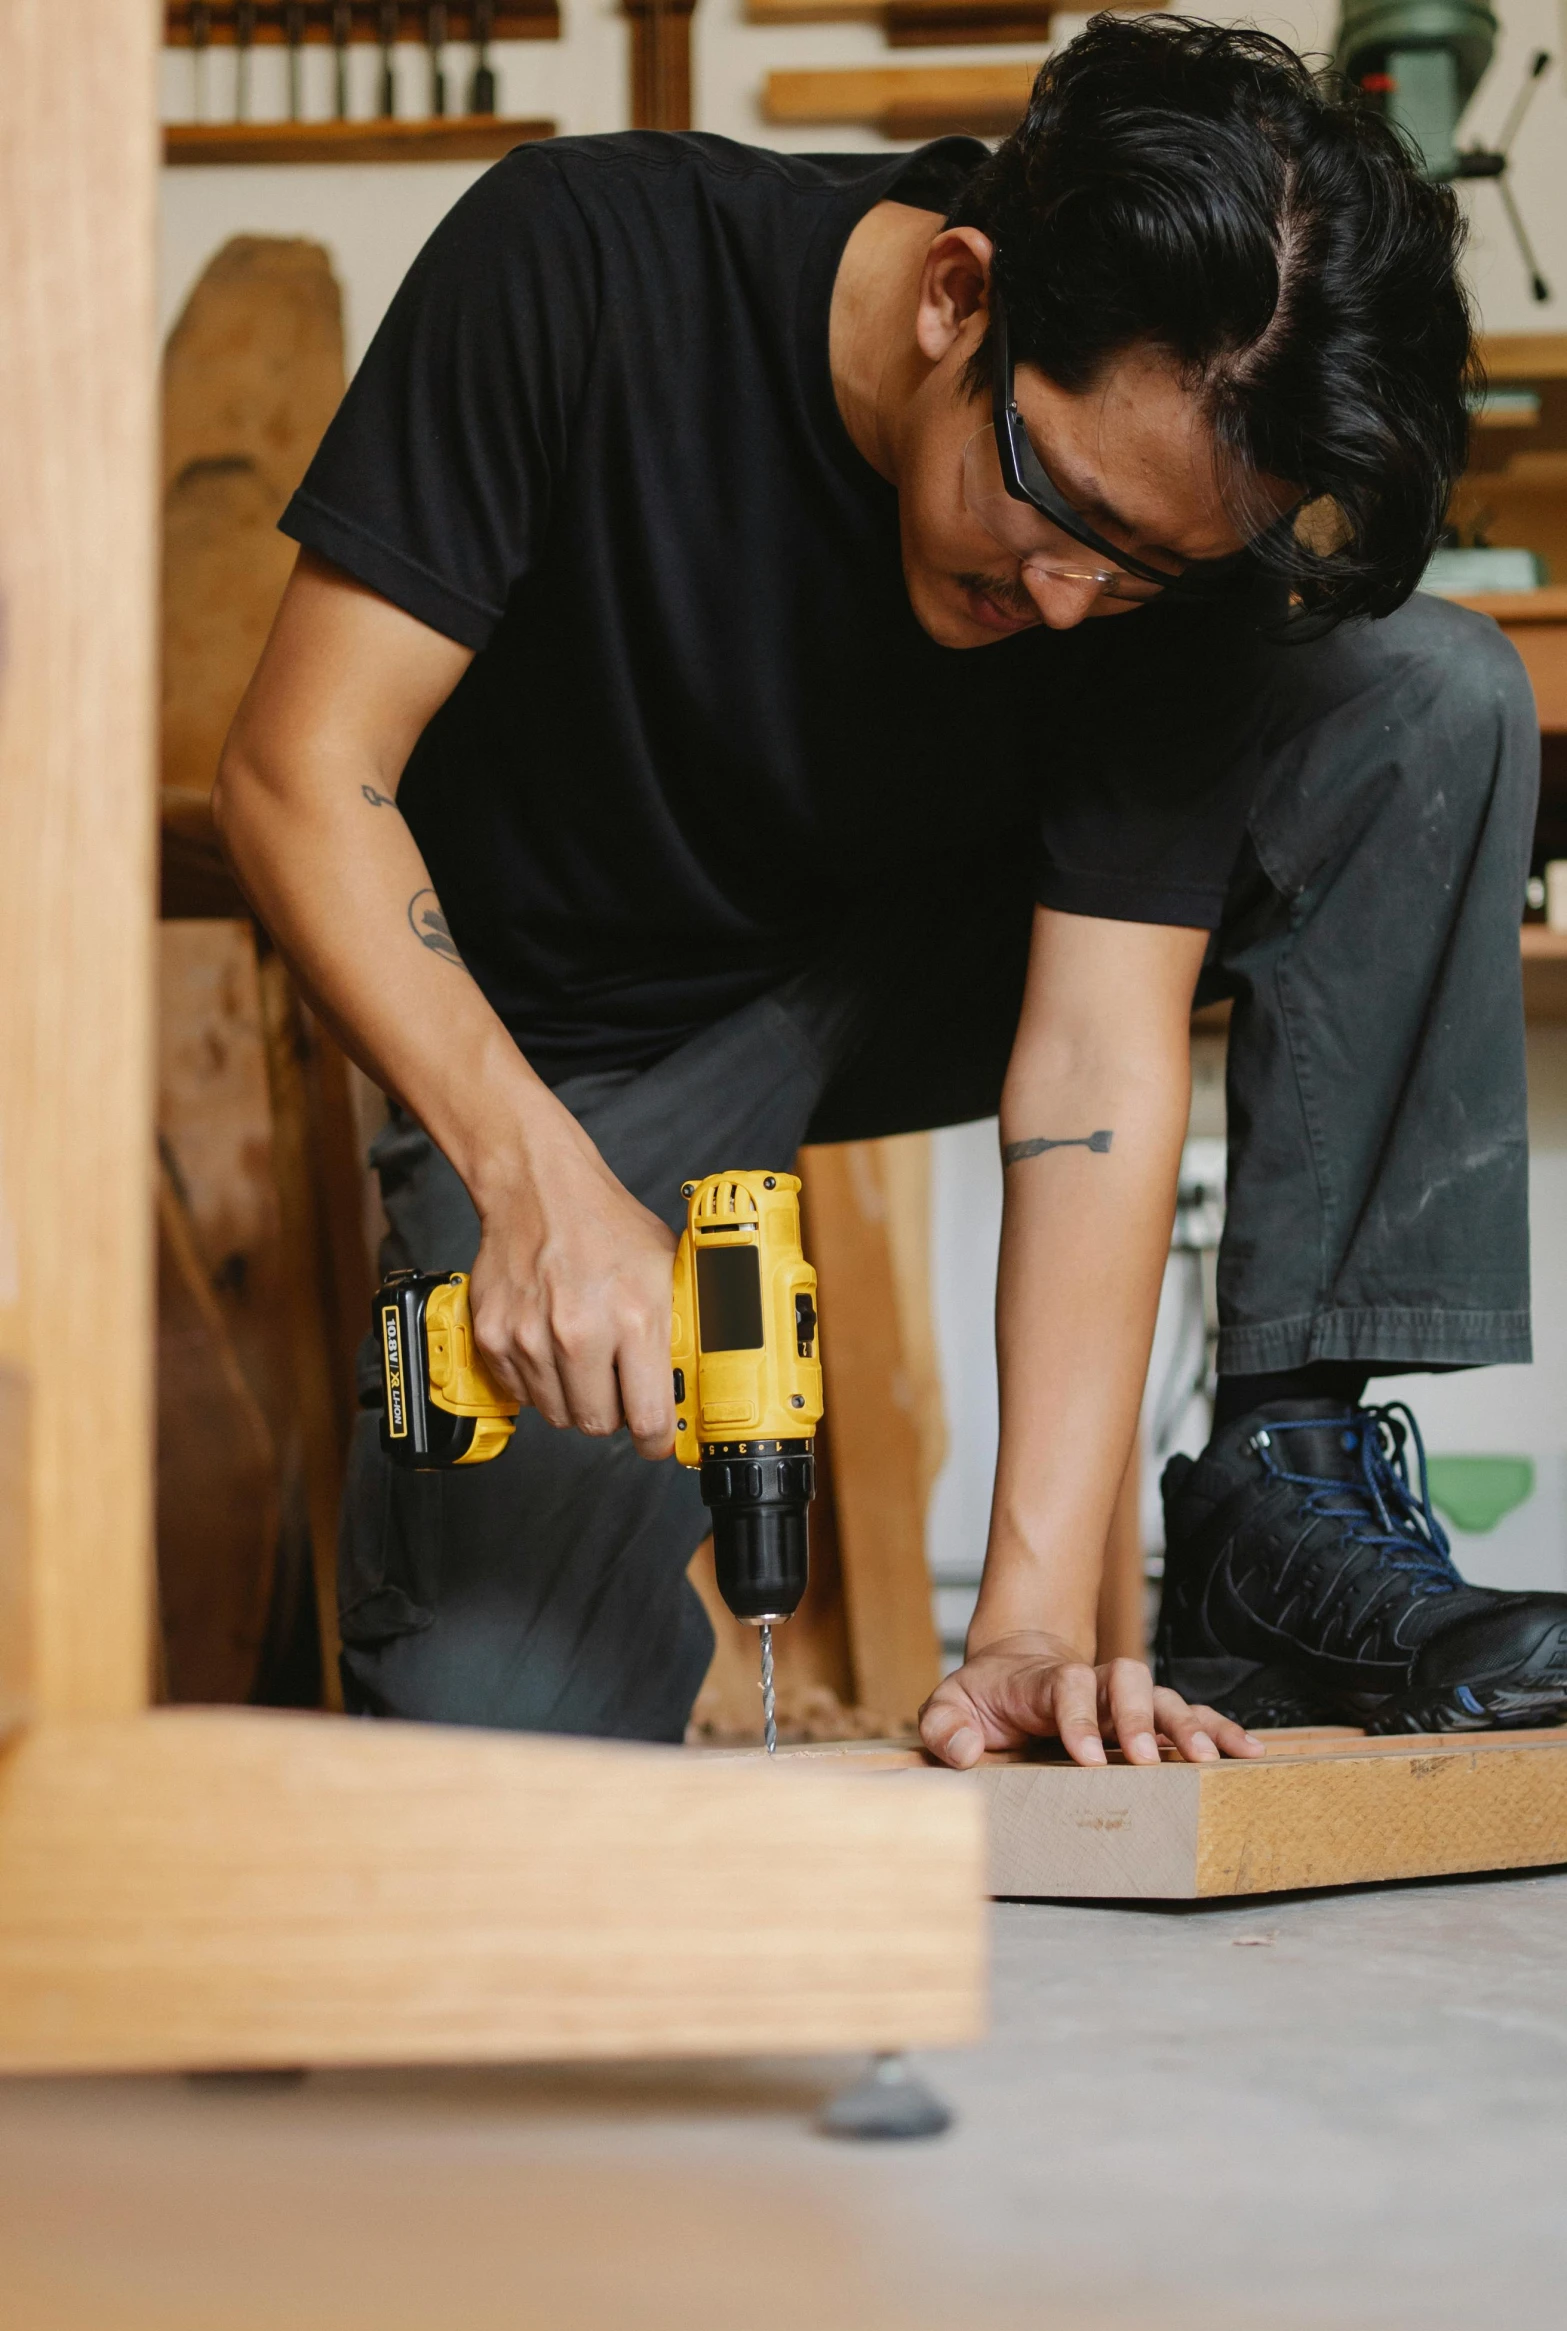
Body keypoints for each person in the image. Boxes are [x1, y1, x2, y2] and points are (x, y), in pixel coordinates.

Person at [215, 16, 1566, 1770]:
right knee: (499, 1743)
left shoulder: (1164, 513)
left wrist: (1018, 1628)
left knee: (1425, 693)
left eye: (1148, 571)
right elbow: (296, 769)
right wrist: (532, 1181)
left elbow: (1091, 1053)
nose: (1076, 601)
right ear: (955, 295)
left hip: (954, 959)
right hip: (585, 1052)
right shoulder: (581, 261)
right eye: (1052, 503)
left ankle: (1278, 1501)